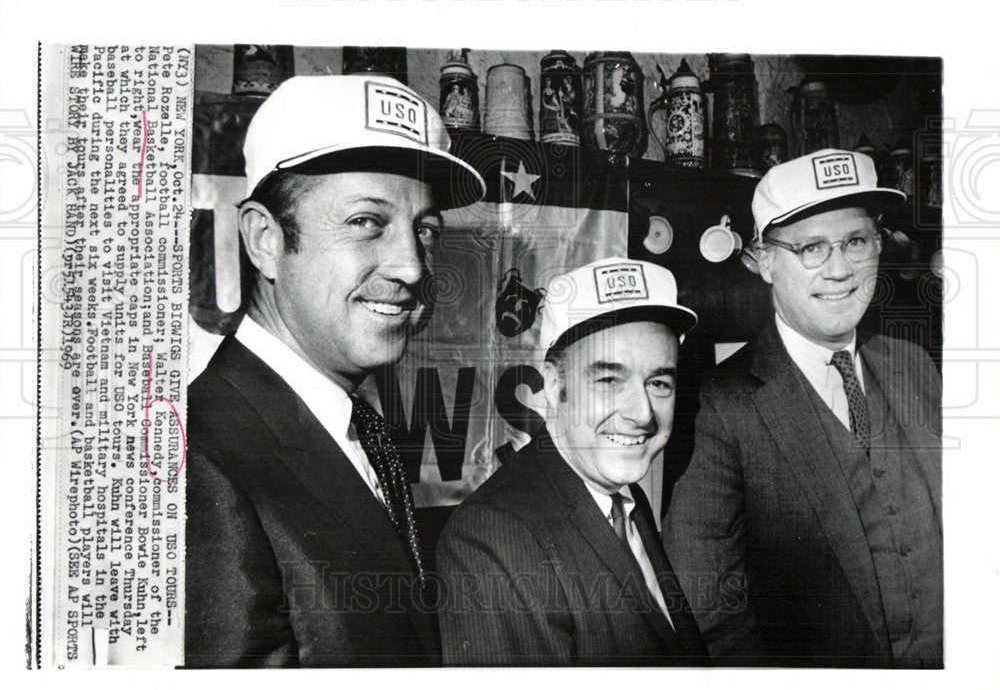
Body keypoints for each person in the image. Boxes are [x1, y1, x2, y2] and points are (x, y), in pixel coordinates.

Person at [184, 74, 486, 667]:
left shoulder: (350, 424)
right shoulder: (199, 457)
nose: (412, 265)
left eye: (424, 230)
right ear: (265, 241)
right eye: (366, 222)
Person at [664, 149, 942, 668]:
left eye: (856, 241)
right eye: (812, 247)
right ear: (763, 261)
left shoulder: (915, 367)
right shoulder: (723, 404)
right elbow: (708, 605)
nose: (840, 270)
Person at [437, 258, 707, 666]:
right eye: (609, 379)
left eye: (658, 383)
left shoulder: (622, 495)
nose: (643, 413)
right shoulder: (492, 537)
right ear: (553, 385)